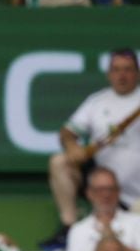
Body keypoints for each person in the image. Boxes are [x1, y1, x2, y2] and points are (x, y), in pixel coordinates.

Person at [47, 50, 139, 239]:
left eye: (128, 69)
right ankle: (69, 227)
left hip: (137, 194)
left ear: (137, 73)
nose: (122, 75)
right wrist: (72, 146)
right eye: (116, 70)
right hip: (103, 188)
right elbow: (67, 132)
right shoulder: (97, 102)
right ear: (109, 74)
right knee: (60, 162)